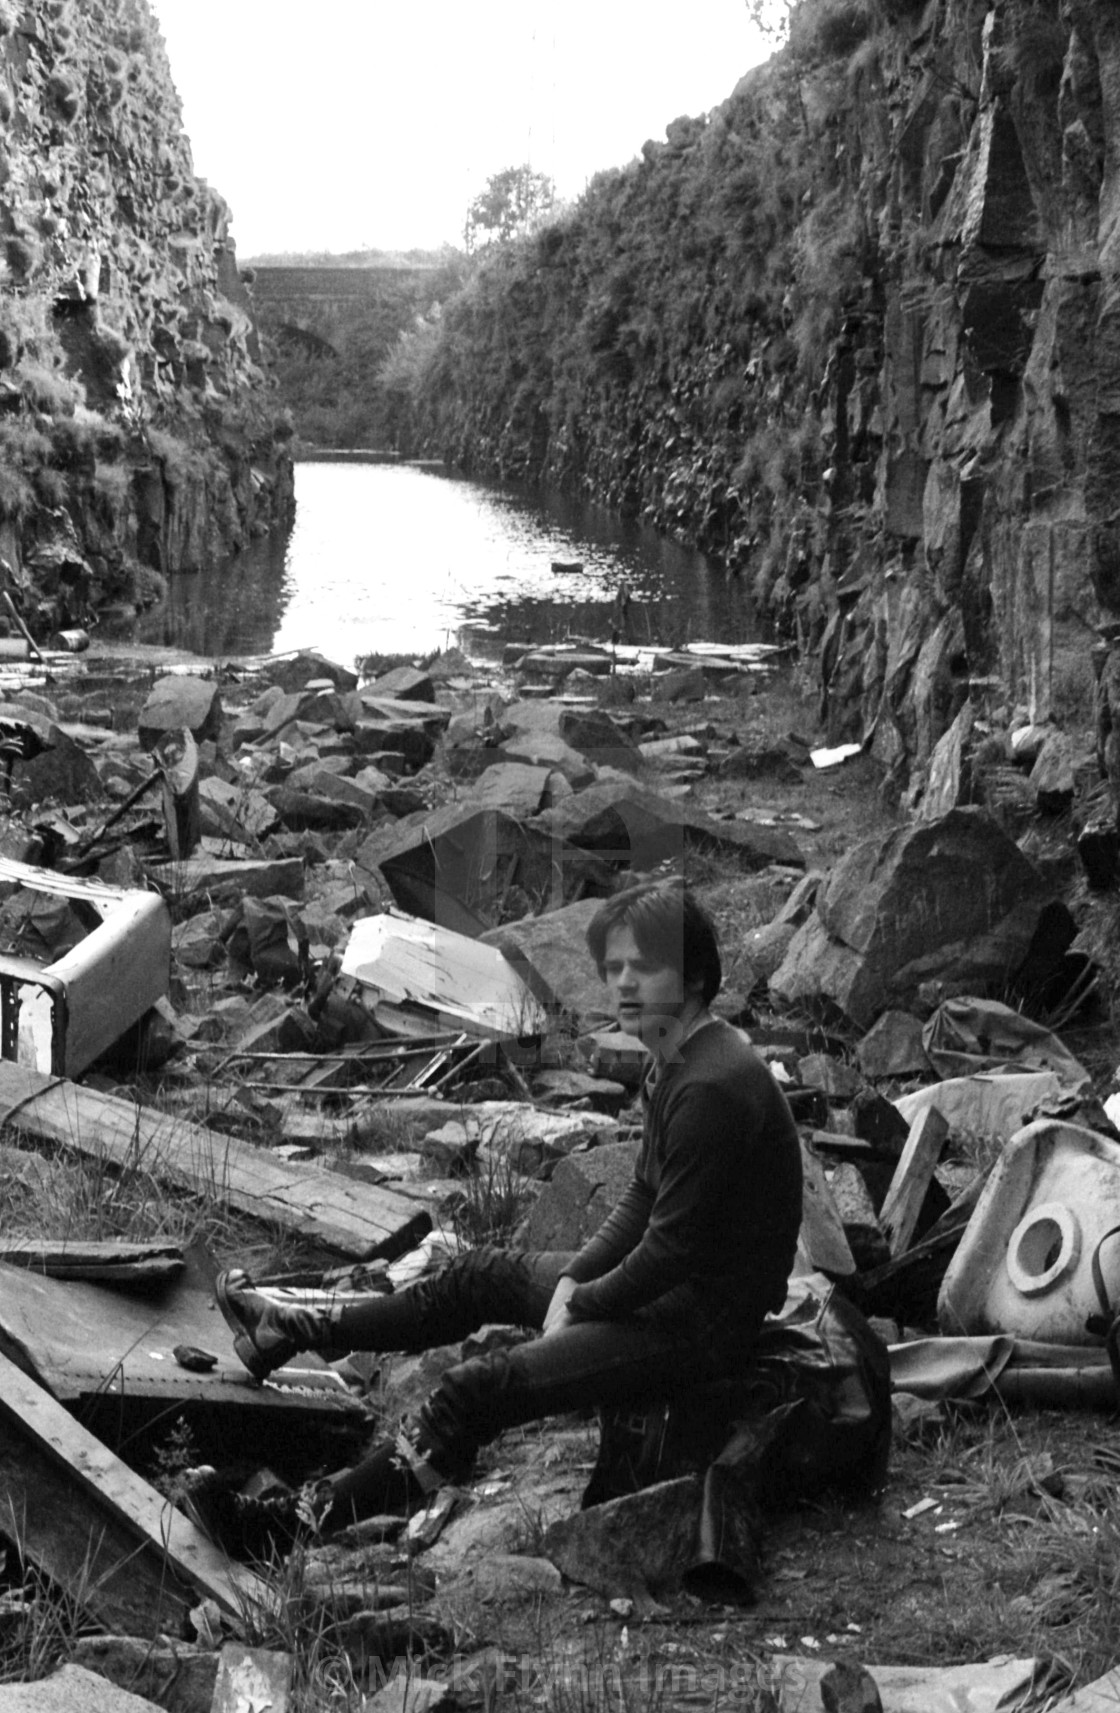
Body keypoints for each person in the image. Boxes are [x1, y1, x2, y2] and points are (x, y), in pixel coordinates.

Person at [214, 880, 804, 1536]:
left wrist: (582, 1303)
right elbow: (641, 1195)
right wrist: (578, 1276)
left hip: (701, 1324)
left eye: (646, 967)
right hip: (669, 1293)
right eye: (617, 968)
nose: (625, 984)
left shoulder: (712, 1088)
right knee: (475, 1274)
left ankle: (294, 1522)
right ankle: (293, 1329)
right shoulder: (677, 1056)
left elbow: (672, 1249)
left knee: (473, 1388)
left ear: (693, 976)